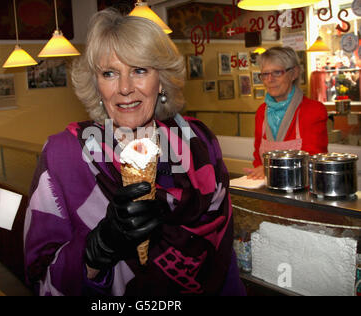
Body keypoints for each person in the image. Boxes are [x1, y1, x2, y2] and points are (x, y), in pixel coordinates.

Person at [23, 9, 245, 296]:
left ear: (162, 79)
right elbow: (39, 276)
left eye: (140, 70)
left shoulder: (198, 142)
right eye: (109, 73)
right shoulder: (63, 155)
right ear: (96, 84)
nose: (125, 88)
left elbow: (224, 253)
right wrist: (96, 251)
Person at [245, 46, 328, 179]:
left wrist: (269, 169)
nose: (269, 80)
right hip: (269, 194)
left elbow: (314, 162)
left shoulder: (313, 110)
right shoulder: (262, 112)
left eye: (277, 72)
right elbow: (258, 158)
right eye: (265, 74)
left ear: (294, 73)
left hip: (302, 195)